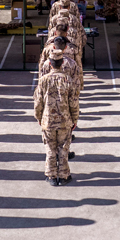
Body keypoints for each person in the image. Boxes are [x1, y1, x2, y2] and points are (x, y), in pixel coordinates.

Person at [34, 50, 80, 186]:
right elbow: (74, 103)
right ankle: (64, 175)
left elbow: (38, 103)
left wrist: (39, 118)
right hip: (65, 121)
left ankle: (51, 176)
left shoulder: (43, 81)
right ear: (62, 63)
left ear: (50, 63)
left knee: (50, 148)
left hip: (48, 121)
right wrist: (75, 119)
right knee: (63, 148)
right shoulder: (68, 80)